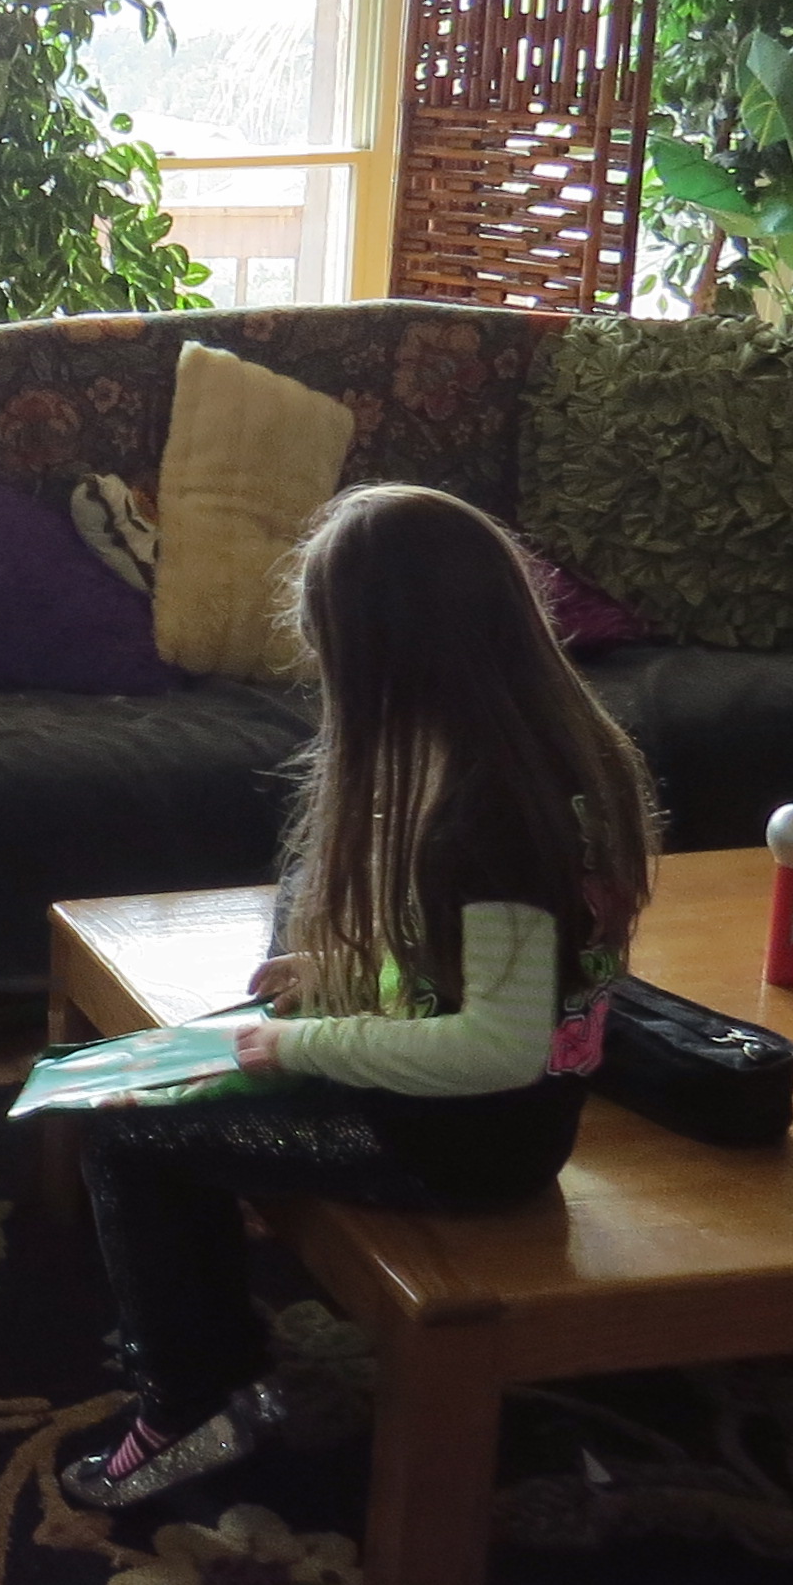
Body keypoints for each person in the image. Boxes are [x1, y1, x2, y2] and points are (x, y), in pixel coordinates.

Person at [62, 484, 659, 1508]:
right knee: (161, 1073)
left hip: (463, 1139)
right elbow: (471, 953)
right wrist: (332, 974)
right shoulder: (528, 744)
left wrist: (302, 1046)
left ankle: (193, 1397)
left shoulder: (486, 815)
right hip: (481, 1106)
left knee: (129, 1129)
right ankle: (194, 1326)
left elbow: (496, 1048)